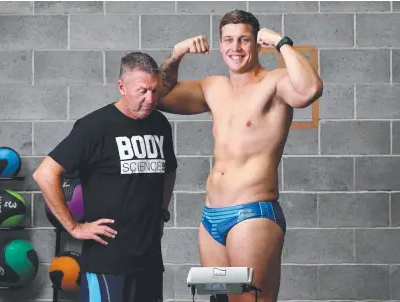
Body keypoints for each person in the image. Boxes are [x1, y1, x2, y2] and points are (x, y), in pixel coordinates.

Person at [157, 9, 323, 302]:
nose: (235, 48)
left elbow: (310, 89)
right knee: (219, 299)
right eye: (229, 40)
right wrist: (177, 54)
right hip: (211, 220)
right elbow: (157, 96)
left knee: (247, 301)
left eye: (244, 40)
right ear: (220, 45)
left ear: (258, 44)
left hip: (251, 215)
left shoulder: (276, 82)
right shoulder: (212, 87)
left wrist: (282, 43)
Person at [33, 52, 177, 302]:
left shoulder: (160, 124)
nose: (150, 99)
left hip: (148, 260)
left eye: (154, 91)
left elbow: (169, 169)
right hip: (106, 263)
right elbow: (45, 173)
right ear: (122, 87)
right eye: (142, 91)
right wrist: (74, 227)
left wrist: (162, 213)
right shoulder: (95, 126)